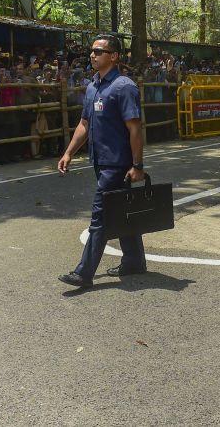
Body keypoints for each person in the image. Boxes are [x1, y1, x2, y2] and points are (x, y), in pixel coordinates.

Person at [57, 34, 147, 288]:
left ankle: (83, 273)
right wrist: (69, 153)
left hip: (118, 165)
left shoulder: (124, 86)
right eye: (92, 51)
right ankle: (134, 261)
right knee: (122, 213)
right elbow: (84, 124)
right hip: (100, 161)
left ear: (114, 56)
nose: (93, 55)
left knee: (101, 216)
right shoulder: (92, 85)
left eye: (99, 51)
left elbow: (135, 129)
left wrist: (137, 165)